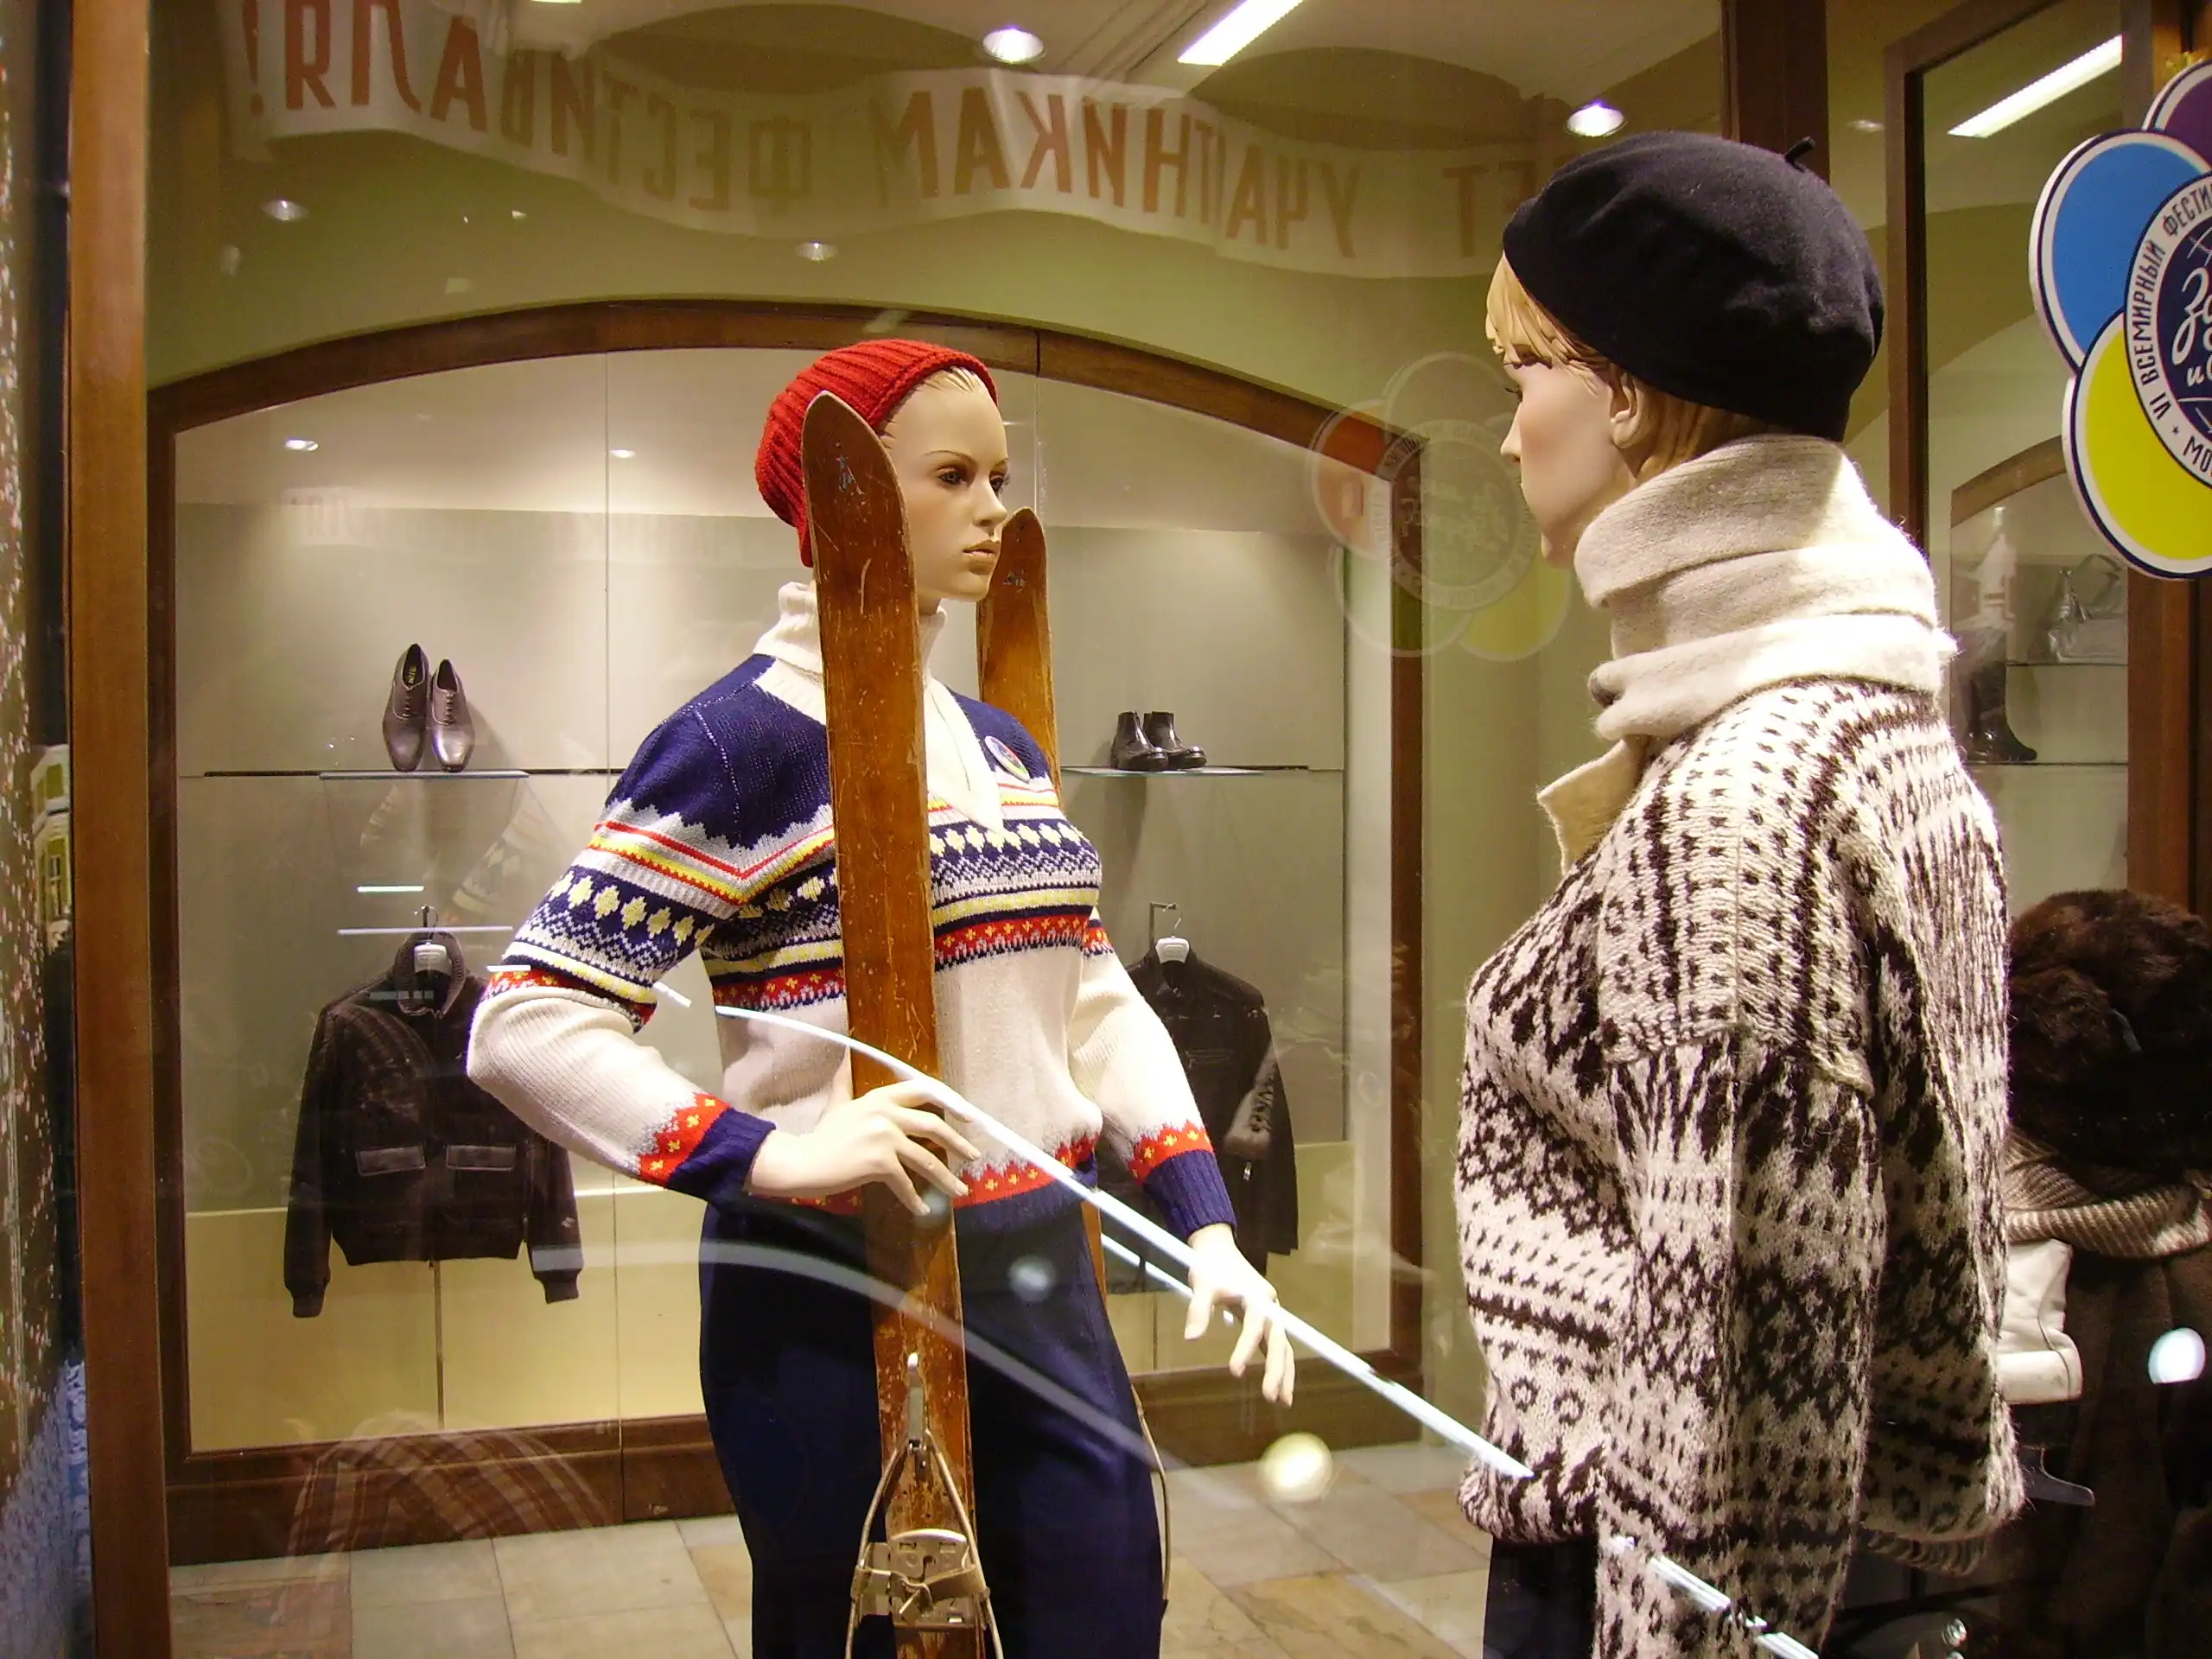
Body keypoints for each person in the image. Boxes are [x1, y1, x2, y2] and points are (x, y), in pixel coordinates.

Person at [468, 338, 1292, 1658]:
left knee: (1101, 1603)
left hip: (1041, 1268)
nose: (992, 511)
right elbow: (527, 1021)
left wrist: (1203, 1219)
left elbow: (1089, 996)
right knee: (868, 1632)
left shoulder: (999, 748)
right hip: (829, 1290)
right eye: (952, 476)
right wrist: (771, 1153)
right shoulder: (739, 748)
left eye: (1000, 477)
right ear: (839, 496)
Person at [1453, 133, 2020, 1658]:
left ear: (1629, 394)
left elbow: (1738, 1378)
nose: (1509, 437)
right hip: (1823, 1564)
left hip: (1655, 1570)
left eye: (1525, 371)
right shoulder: (1877, 725)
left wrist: (1675, 1624)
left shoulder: (1746, 801)